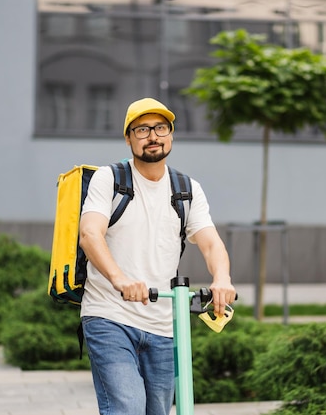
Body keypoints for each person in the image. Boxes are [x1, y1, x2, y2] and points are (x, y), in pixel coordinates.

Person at [78, 97, 236, 415]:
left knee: (159, 412)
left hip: (163, 326)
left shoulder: (187, 189)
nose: (153, 135)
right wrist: (119, 279)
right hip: (110, 316)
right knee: (129, 407)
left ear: (171, 134)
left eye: (161, 127)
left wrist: (222, 279)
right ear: (128, 138)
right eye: (142, 129)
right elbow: (89, 234)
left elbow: (211, 244)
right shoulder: (109, 179)